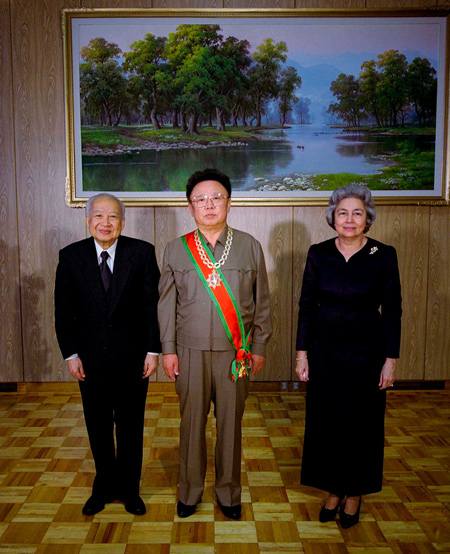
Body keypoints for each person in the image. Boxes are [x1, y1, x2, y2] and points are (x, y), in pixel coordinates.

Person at [158, 168, 272, 520]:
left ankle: (229, 492)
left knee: (230, 425)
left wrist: (260, 347)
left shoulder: (250, 245)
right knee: (191, 424)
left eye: (216, 198)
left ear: (229, 203)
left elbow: (262, 302)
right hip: (189, 353)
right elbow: (165, 304)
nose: (209, 205)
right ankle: (189, 491)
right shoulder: (176, 250)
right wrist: (168, 349)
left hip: (234, 355)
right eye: (200, 200)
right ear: (190, 208)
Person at [296, 183, 402, 529]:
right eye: (343, 212)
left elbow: (394, 311)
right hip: (324, 352)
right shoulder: (319, 253)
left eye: (358, 213)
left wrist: (391, 359)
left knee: (362, 425)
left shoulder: (383, 255)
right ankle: (332, 488)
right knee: (327, 423)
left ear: (367, 218)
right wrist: (302, 354)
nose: (350, 219)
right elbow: (307, 307)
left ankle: (354, 492)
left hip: (367, 354)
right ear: (333, 217)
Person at [54, 193, 161, 516]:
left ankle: (130, 489)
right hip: (90, 360)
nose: (105, 223)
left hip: (133, 359)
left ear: (123, 222)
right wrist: (70, 354)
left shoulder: (141, 253)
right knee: (98, 426)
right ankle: (103, 487)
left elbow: (151, 307)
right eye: (98, 216)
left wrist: (153, 350)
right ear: (88, 221)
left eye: (113, 217)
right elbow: (63, 310)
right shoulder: (71, 257)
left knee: (130, 426)